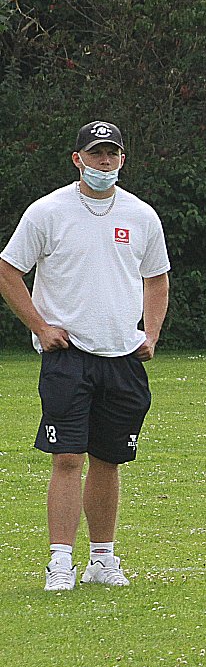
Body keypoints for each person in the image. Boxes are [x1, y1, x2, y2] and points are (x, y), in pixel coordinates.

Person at [0, 121, 170, 592]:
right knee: (67, 457)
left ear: (122, 159)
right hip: (68, 355)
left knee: (109, 459)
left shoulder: (141, 215)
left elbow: (156, 277)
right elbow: (8, 270)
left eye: (112, 153)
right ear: (78, 159)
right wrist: (41, 327)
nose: (104, 162)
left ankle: (102, 560)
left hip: (122, 357)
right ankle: (60, 563)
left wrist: (151, 333)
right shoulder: (48, 212)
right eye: (96, 153)